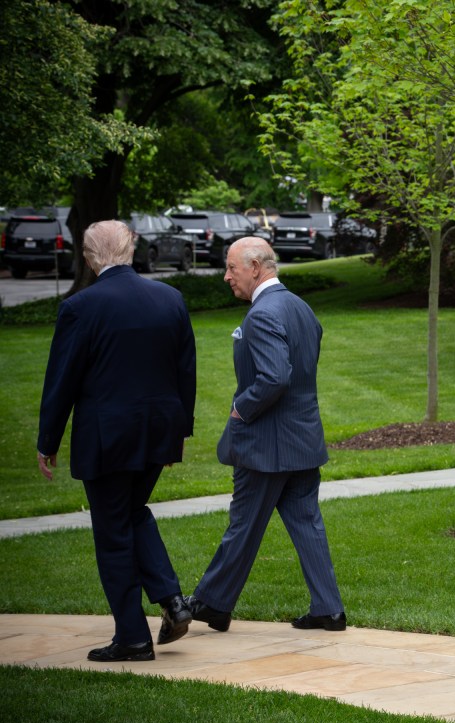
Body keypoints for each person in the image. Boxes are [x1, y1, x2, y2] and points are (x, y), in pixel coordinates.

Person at [37, 220, 197, 661]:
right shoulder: (171, 299)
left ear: (90, 259)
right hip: (159, 432)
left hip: (108, 439)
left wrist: (47, 438)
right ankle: (171, 599)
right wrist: (178, 434)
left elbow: (61, 381)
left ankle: (132, 638)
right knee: (130, 512)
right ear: (131, 250)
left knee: (112, 533)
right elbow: (186, 372)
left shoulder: (80, 307)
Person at [185, 237, 346, 633]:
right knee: (307, 522)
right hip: (303, 439)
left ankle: (210, 602)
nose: (226, 277)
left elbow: (275, 377)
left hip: (266, 445)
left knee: (243, 524)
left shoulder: (262, 314)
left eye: (231, 268)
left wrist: (243, 406)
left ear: (256, 267)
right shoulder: (301, 308)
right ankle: (329, 609)